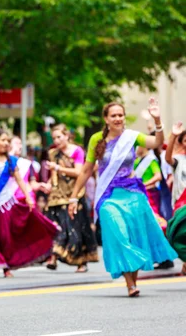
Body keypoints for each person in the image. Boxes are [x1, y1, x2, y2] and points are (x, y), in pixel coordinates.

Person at [68, 99, 177, 297]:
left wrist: (158, 120)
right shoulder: (96, 140)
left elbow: (157, 142)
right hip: (108, 196)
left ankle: (132, 283)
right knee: (119, 233)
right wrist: (74, 197)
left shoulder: (131, 137)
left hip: (133, 194)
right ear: (106, 119)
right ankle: (130, 284)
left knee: (133, 237)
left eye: (121, 115)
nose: (118, 118)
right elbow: (85, 171)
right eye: (113, 115)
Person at [0, 129, 58, 277]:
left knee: (5, 237)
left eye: (7, 141)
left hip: (5, 204)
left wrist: (28, 198)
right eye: (3, 140)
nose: (6, 144)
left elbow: (19, 179)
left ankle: (5, 266)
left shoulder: (10, 160)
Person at [43, 124, 98, 273]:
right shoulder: (53, 153)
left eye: (59, 137)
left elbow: (79, 172)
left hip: (74, 193)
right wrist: (48, 185)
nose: (57, 140)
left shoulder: (77, 151)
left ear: (67, 136)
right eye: (54, 138)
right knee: (57, 225)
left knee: (76, 228)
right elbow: (54, 176)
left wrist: (59, 168)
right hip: (58, 195)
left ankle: (81, 261)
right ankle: (53, 256)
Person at [164, 122, 186, 274]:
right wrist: (173, 136)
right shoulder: (179, 160)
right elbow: (167, 159)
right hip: (181, 204)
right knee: (176, 234)